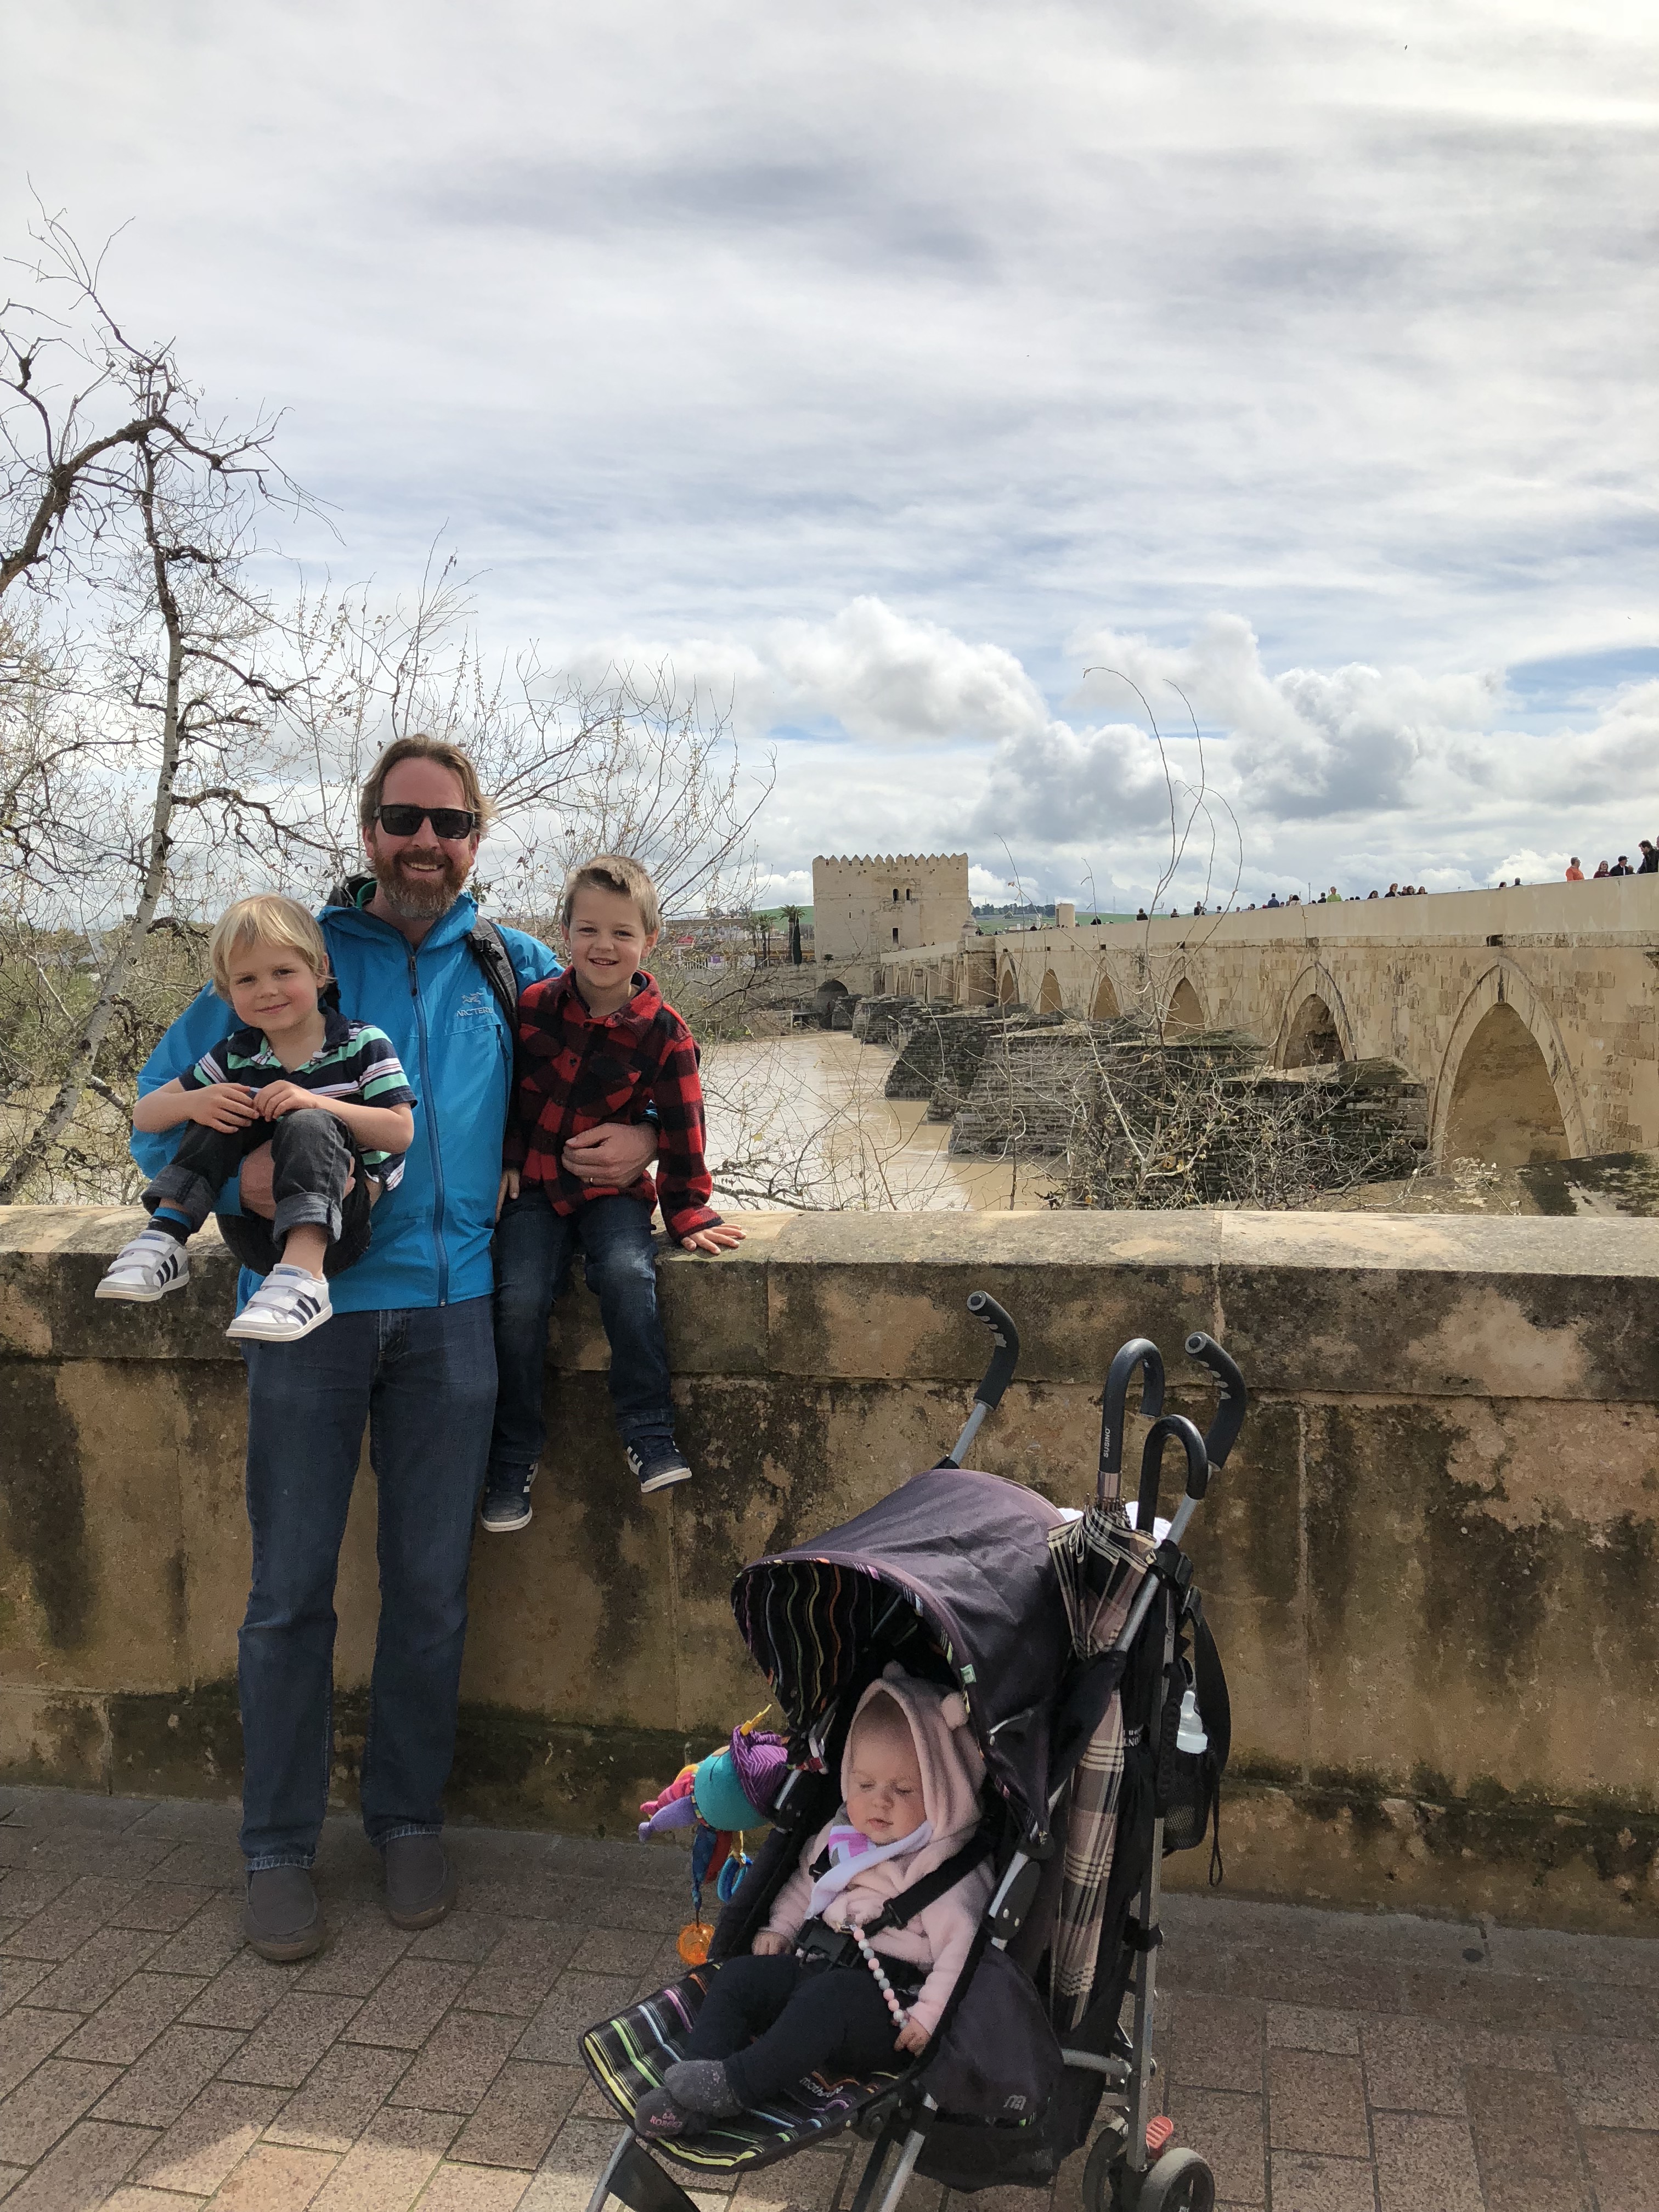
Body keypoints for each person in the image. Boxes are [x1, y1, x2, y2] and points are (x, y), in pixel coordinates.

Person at [133, 736, 658, 1961]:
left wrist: (644, 1139)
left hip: (455, 1311)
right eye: (404, 819)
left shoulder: (514, 965)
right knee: (288, 1594)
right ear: (369, 827)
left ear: (476, 837)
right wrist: (244, 1175)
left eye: (450, 823)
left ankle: (408, 1817)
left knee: (429, 1589)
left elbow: (635, 1049)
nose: (426, 843)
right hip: (304, 1317)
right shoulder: (290, 959)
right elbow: (159, 1113)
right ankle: (277, 1846)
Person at [484, 854, 744, 1526]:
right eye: (589, 930)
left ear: (648, 941)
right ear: (565, 934)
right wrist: (508, 1158)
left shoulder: (666, 1033)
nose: (604, 946)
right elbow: (504, 1096)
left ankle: (649, 1431)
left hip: (613, 1197)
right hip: (537, 1187)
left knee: (629, 1275)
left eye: (622, 933)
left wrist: (687, 1212)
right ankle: (513, 1452)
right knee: (518, 1299)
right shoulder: (534, 1009)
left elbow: (684, 1129)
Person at [633, 1669, 994, 2140]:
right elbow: (805, 1883)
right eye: (864, 1785)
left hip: (885, 2008)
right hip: (815, 1966)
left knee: (827, 2000)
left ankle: (736, 2086)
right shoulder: (841, 1835)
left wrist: (929, 2016)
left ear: (945, 1789)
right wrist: (780, 1928)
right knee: (738, 1978)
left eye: (903, 1790)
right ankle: (691, 2096)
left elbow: (961, 1951)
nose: (880, 1803)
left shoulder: (945, 1867)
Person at [98, 896, 416, 1341]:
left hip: (338, 1226)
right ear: (228, 992)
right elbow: (146, 1115)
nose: (267, 990)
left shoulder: (362, 1044)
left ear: (320, 971)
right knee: (221, 1106)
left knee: (309, 1122)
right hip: (252, 1235)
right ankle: (166, 1238)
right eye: (247, 979)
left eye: (283, 972)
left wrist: (316, 1103)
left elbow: (400, 1133)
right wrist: (196, 1102)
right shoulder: (235, 1054)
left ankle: (304, 1276)